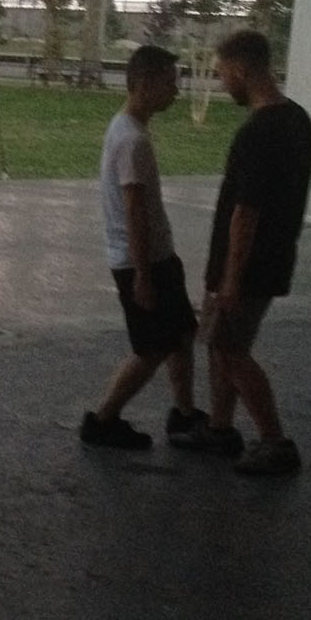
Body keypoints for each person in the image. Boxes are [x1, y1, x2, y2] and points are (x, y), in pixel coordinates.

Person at [171, 29, 311, 476]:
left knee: (230, 350)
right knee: (222, 347)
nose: (221, 83)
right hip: (274, 257)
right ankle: (220, 429)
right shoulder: (298, 121)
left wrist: (231, 278)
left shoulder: (259, 132)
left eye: (222, 73)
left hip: (246, 266)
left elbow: (245, 213)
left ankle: (275, 441)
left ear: (240, 68)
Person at [80, 45, 207, 449]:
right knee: (151, 349)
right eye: (170, 82)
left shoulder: (126, 128)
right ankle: (103, 420)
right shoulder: (132, 139)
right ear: (145, 83)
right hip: (142, 262)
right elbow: (134, 210)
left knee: (182, 334)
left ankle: (184, 414)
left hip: (156, 257)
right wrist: (143, 276)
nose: (176, 90)